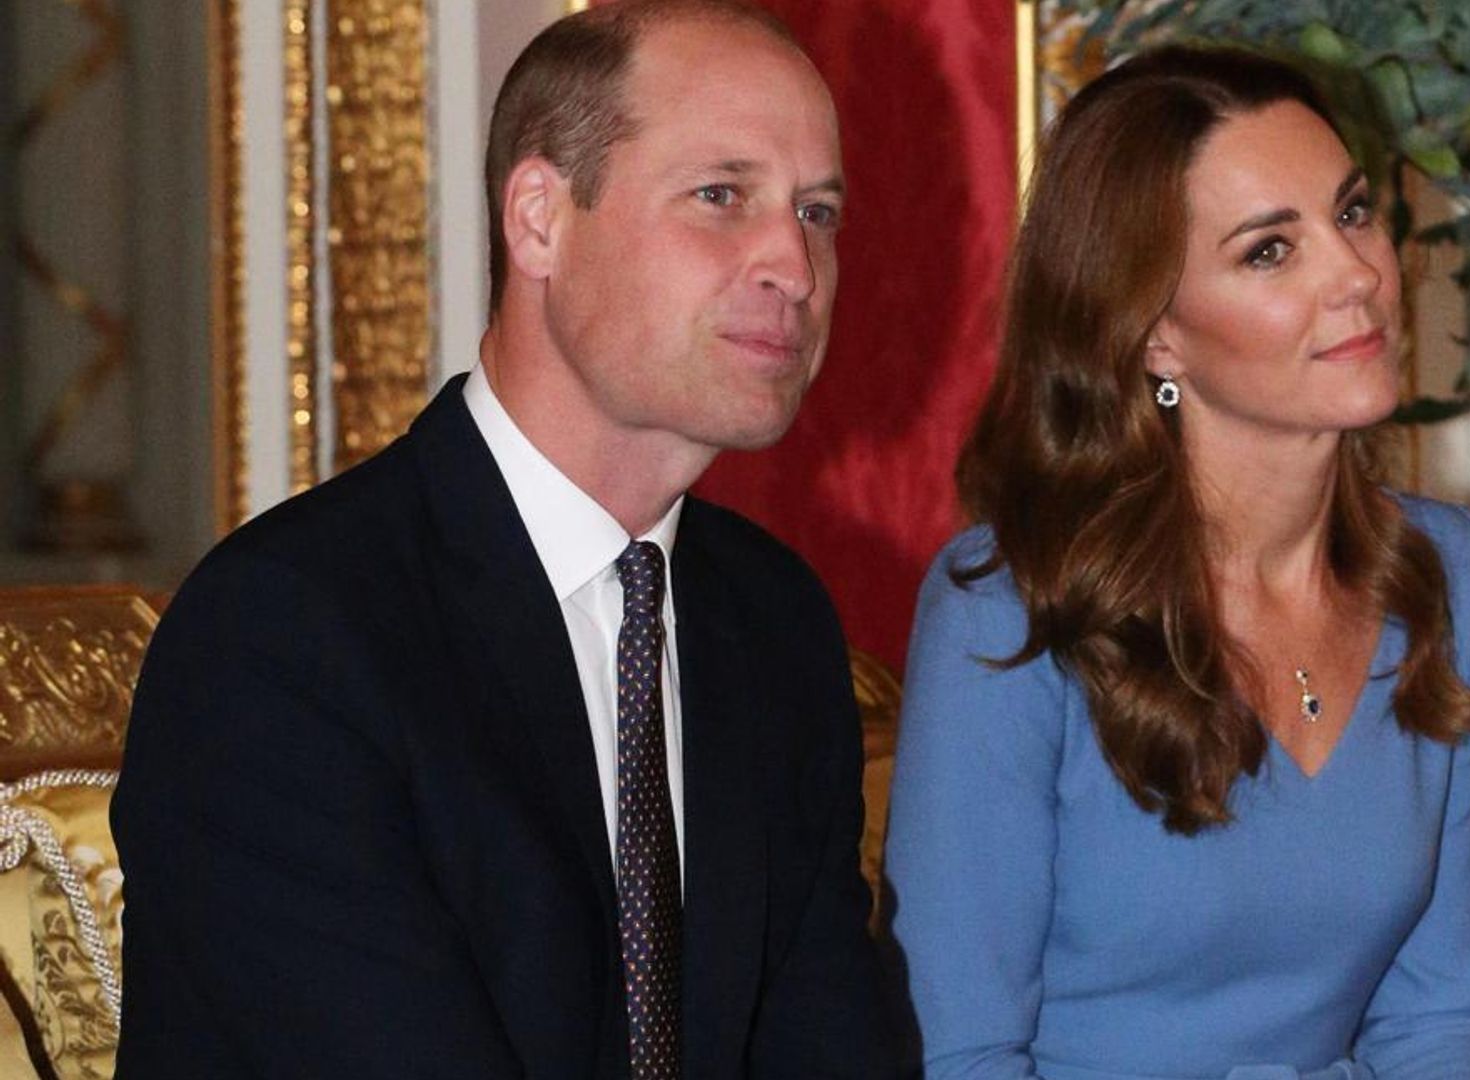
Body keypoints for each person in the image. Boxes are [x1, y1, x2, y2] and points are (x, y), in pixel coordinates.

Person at [111, 2, 895, 1076]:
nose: (795, 269)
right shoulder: (288, 635)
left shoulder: (774, 621)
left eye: (817, 213)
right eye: (722, 197)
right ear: (538, 219)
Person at [884, 45, 1470, 1080]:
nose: (1357, 273)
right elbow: (965, 1054)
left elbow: (1438, 1020)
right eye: (1270, 250)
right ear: (1155, 336)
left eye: (1352, 213)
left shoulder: (1449, 577)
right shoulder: (1009, 609)